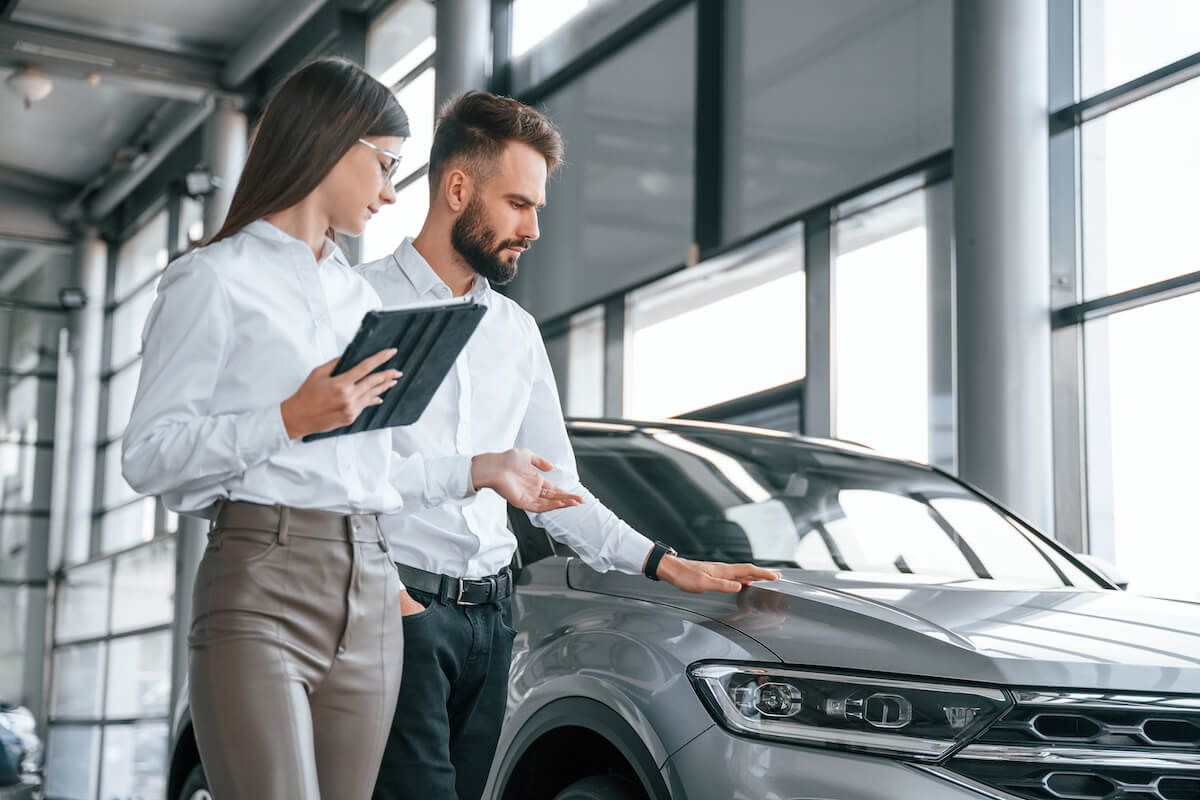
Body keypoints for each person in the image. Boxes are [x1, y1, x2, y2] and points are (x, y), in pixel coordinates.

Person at [121, 61, 581, 800]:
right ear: (331, 144)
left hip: (371, 582)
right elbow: (149, 459)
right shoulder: (211, 278)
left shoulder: (351, 296)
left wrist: (468, 479)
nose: (394, 192)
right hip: (262, 571)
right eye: (386, 164)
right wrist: (287, 419)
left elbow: (373, 471)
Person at [360, 91, 780, 800]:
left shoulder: (514, 332)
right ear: (458, 188)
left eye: (538, 210)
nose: (532, 228)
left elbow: (556, 490)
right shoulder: (358, 303)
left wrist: (665, 564)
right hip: (396, 606)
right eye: (519, 204)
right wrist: (474, 475)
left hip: (491, 624)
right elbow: (340, 475)